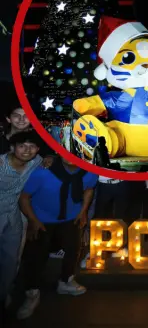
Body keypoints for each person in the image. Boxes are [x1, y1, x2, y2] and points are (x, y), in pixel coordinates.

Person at [16, 156, 97, 320]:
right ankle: (32, 292)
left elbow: (89, 189)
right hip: (42, 220)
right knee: (36, 256)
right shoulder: (43, 172)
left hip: (70, 218)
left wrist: (83, 212)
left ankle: (66, 281)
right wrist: (33, 220)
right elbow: (24, 197)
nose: (71, 156)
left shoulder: (89, 172)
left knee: (73, 249)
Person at [0, 132, 42, 315]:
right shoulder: (1, 164)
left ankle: (3, 295)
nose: (27, 150)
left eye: (31, 146)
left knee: (11, 260)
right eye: (22, 146)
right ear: (12, 148)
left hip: (13, 216)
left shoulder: (36, 161)